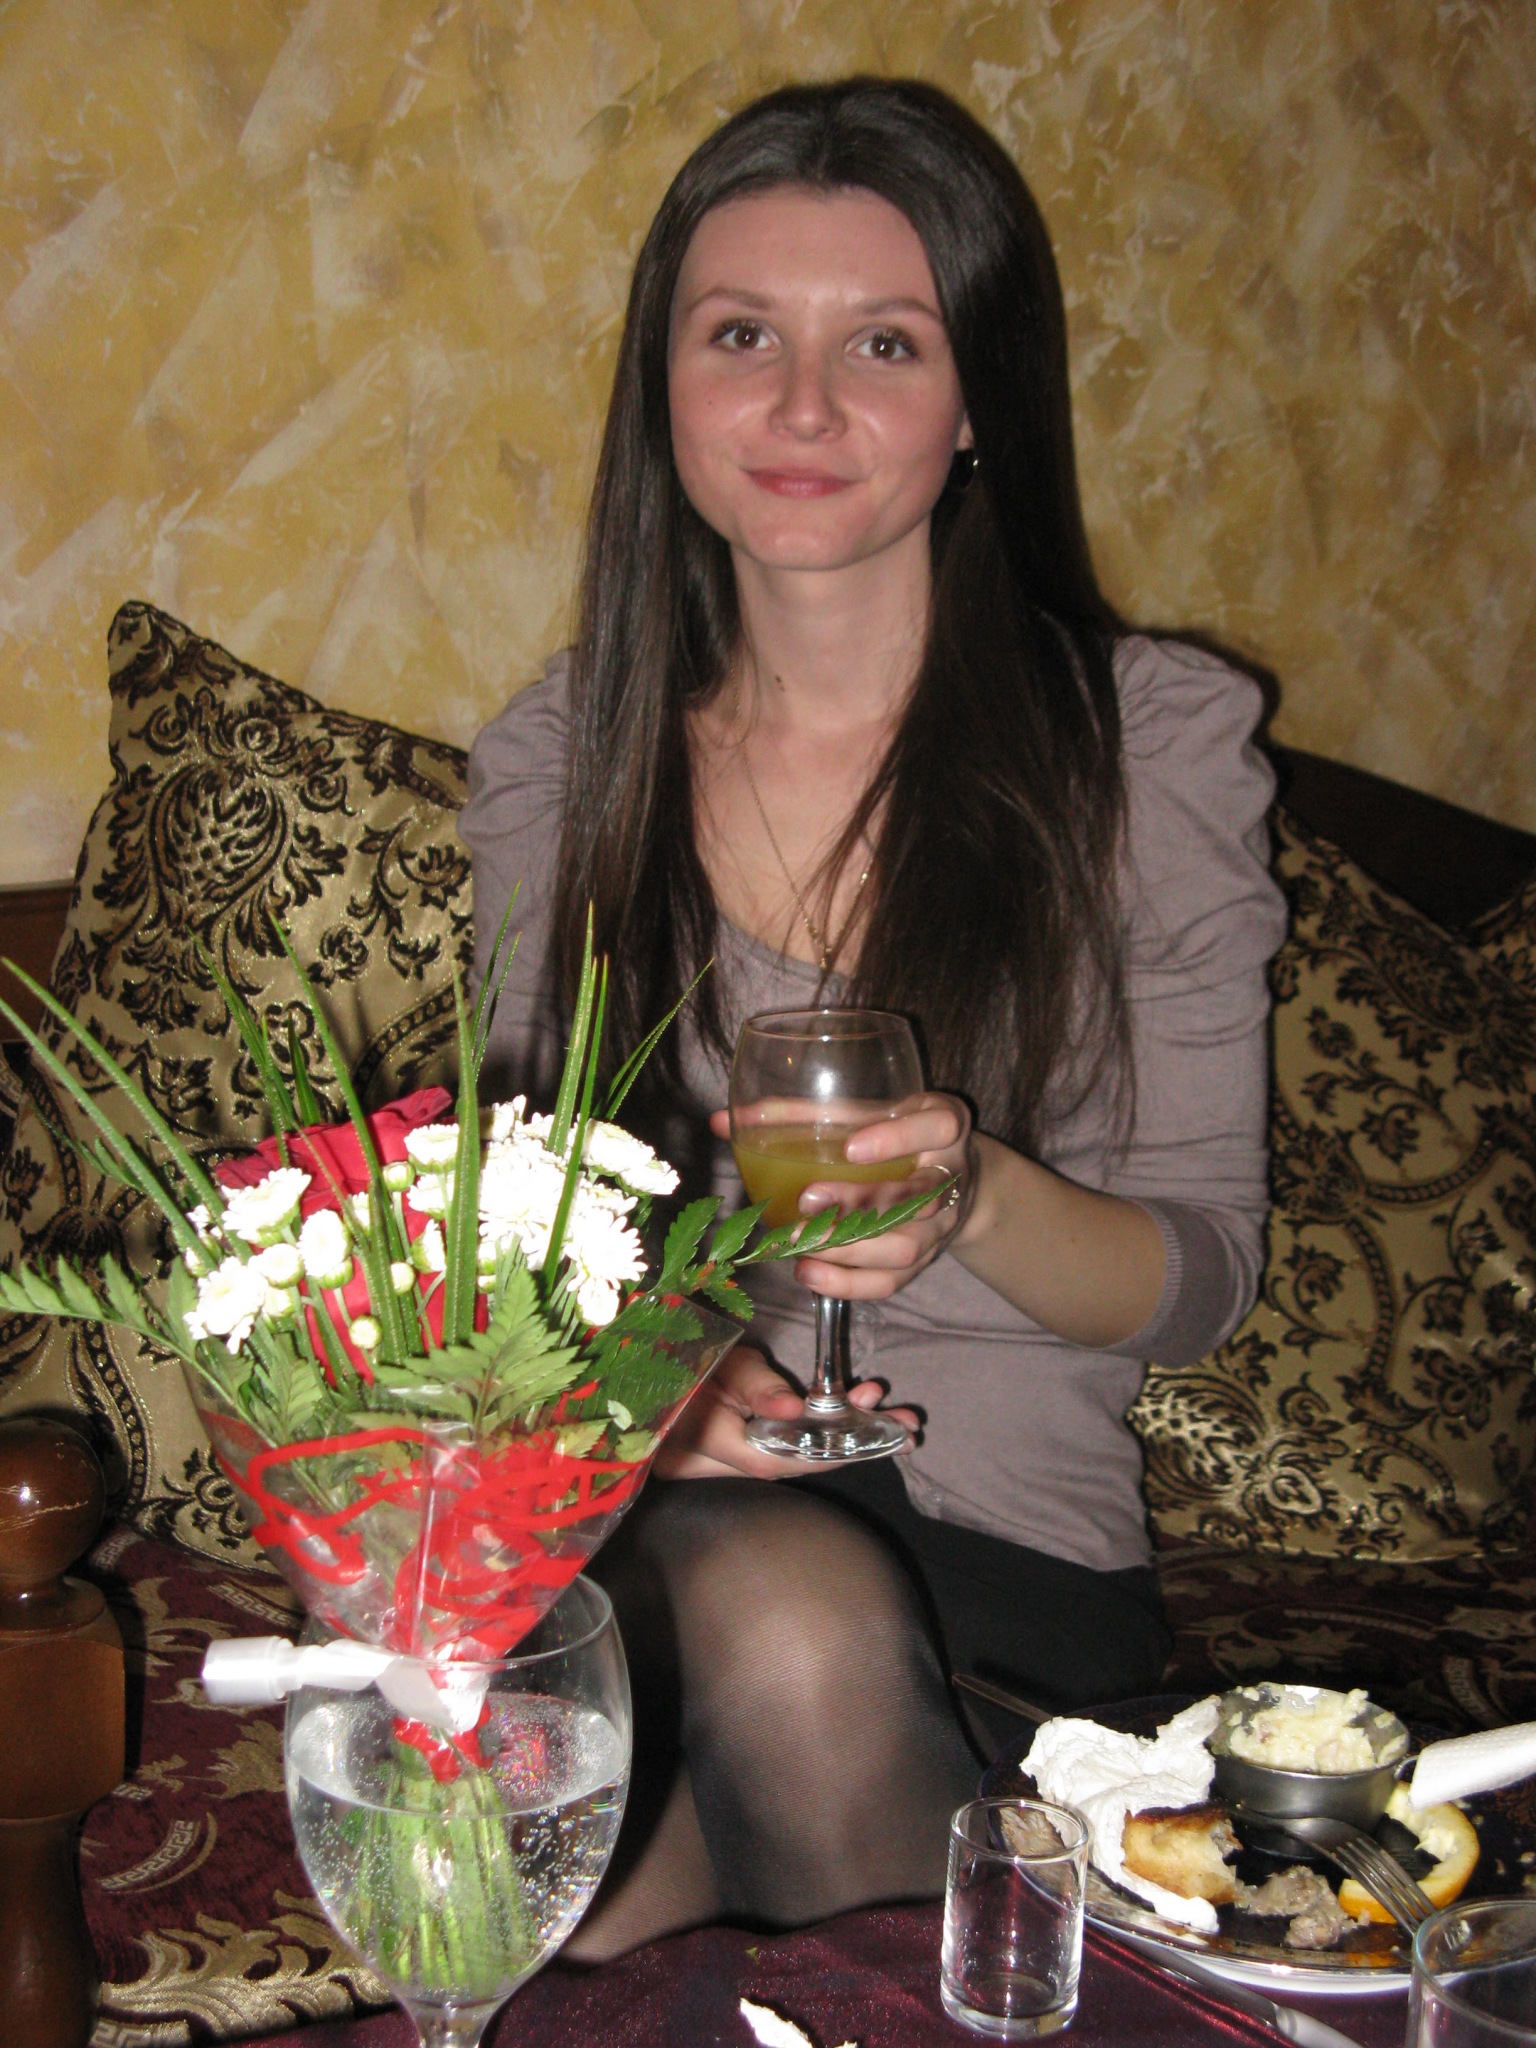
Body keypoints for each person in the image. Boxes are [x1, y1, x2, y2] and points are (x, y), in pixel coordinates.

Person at [458, 77, 1287, 1954]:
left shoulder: (1146, 746)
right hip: (650, 1518)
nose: (805, 408)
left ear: (979, 399)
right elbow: (518, 1229)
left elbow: (1203, 1278)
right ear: (665, 390)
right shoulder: (564, 762)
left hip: (1007, 1575)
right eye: (743, 337)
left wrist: (974, 1196)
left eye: (885, 345)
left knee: (749, 1655)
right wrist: (650, 1387)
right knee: (557, 1771)